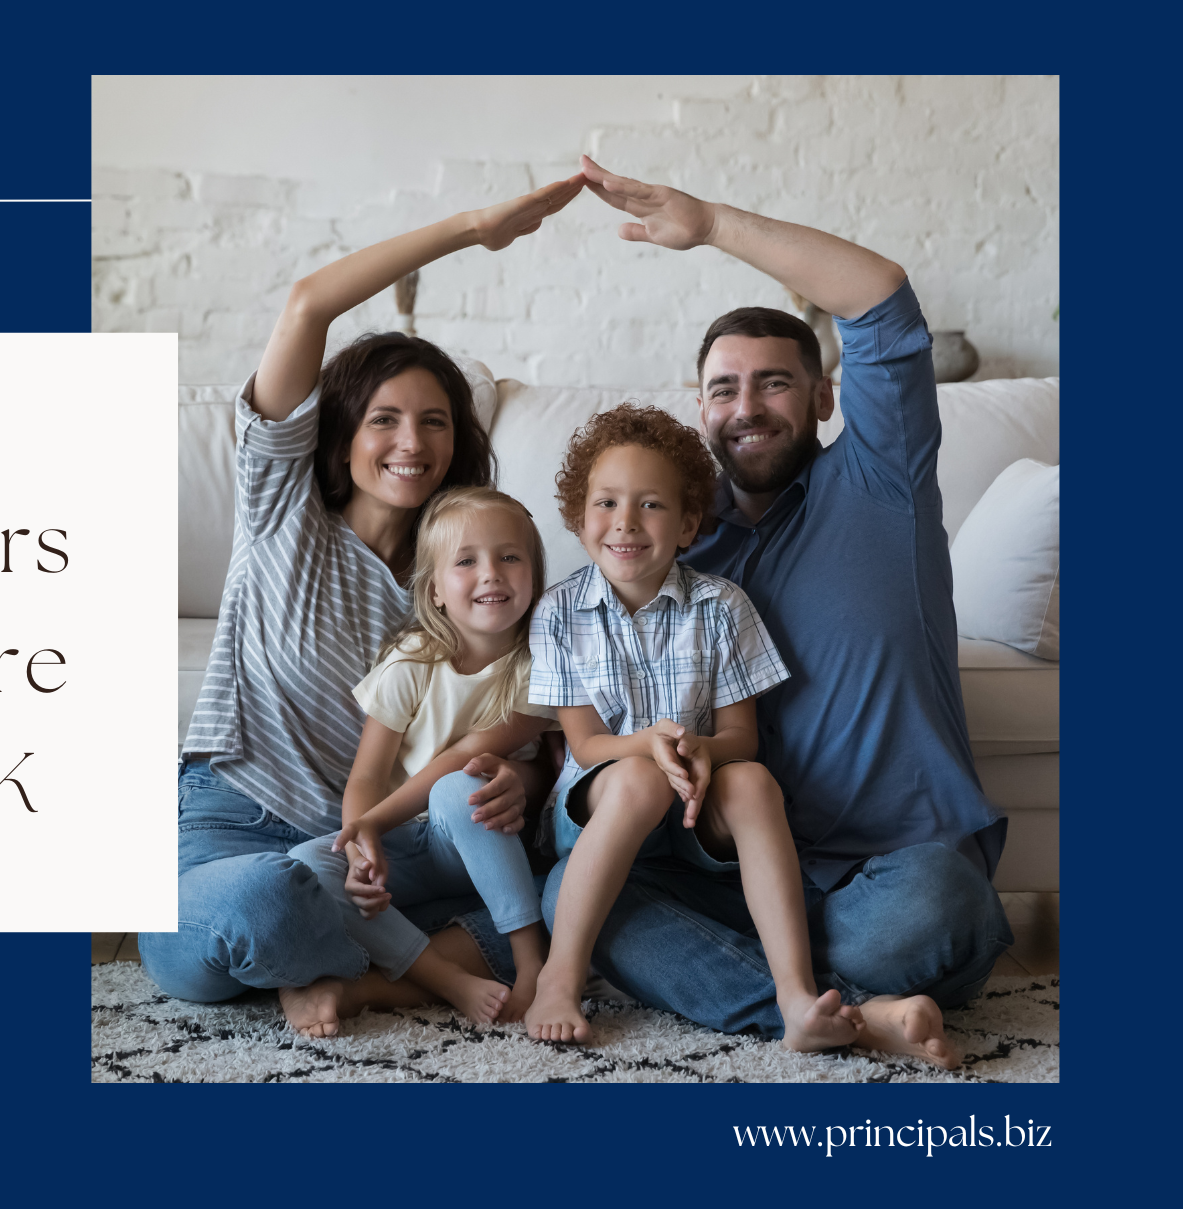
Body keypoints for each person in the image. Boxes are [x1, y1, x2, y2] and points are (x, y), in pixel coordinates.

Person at [541, 156, 1014, 1068]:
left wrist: (710, 223)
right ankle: (841, 1011)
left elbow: (879, 297)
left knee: (935, 920)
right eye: (724, 389)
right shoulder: (671, 539)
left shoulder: (882, 479)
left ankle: (780, 984)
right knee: (577, 897)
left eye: (775, 383)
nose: (747, 407)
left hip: (890, 865)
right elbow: (571, 669)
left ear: (825, 396)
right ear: (701, 409)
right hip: (728, 865)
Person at [141, 174, 588, 1038]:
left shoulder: (470, 580)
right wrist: (472, 225)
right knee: (262, 902)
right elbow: (308, 304)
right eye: (384, 419)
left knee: (574, 910)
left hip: (394, 853)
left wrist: (522, 781)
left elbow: (512, 720)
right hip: (235, 825)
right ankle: (360, 963)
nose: (411, 443)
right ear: (340, 433)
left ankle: (346, 973)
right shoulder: (281, 511)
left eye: (435, 422)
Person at [519, 404, 857, 1055]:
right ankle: (560, 978)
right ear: (578, 517)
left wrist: (699, 749)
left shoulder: (722, 607)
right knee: (640, 778)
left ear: (688, 525)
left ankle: (795, 995)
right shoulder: (559, 611)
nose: (625, 523)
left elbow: (741, 739)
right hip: (597, 805)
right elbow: (586, 747)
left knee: (754, 782)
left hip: (694, 808)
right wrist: (649, 746)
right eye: (607, 503)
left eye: (650, 506)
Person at [284, 488, 555, 1028]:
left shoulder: (542, 664)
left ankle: (531, 965)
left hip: (484, 839)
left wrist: (374, 821)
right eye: (466, 561)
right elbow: (366, 776)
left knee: (462, 786)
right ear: (435, 591)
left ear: (534, 575)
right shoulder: (412, 662)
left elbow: (468, 754)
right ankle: (444, 978)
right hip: (413, 843)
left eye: (509, 556)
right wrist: (361, 844)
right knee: (311, 866)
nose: (491, 573)